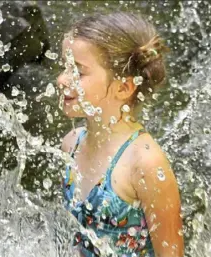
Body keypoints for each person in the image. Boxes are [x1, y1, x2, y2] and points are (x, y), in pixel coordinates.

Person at [58, 12, 184, 257]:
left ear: (123, 87)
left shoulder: (145, 164)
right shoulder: (71, 143)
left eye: (78, 72)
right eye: (64, 66)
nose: (62, 79)